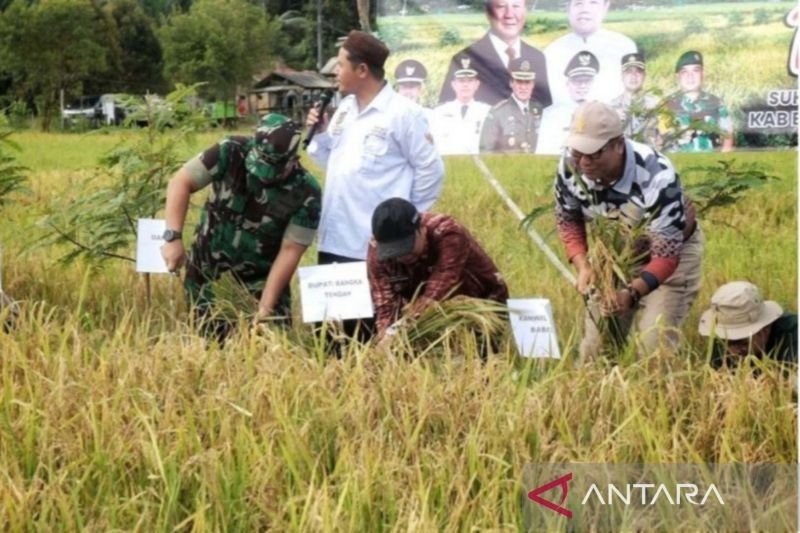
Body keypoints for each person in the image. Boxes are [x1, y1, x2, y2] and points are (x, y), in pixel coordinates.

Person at [306, 30, 444, 338]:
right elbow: (336, 164)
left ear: (362, 70)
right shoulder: (344, 110)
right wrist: (319, 133)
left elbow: (431, 169)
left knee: (369, 337)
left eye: (340, 65)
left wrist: (404, 224)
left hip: (372, 245)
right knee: (329, 337)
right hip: (334, 240)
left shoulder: (403, 114)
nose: (335, 72)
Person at [554, 101, 703, 359]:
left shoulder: (656, 174)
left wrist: (632, 293)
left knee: (653, 347)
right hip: (616, 255)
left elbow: (666, 256)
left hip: (669, 258)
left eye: (594, 153)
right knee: (595, 349)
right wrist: (583, 265)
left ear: (618, 145)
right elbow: (568, 218)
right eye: (578, 152)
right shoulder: (570, 166)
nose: (584, 162)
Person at [161, 113, 321, 338]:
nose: (263, 178)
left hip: (261, 280)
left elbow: (289, 252)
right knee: (207, 342)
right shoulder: (230, 150)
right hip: (208, 272)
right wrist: (172, 237)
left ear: (293, 159)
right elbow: (181, 182)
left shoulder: (307, 193)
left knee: (272, 348)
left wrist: (264, 308)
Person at [366, 197, 509, 339]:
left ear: (421, 229)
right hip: (423, 318)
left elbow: (439, 288)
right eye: (393, 252)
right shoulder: (377, 251)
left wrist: (400, 328)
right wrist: (386, 337)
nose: (402, 256)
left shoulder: (447, 233)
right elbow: (385, 304)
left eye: (406, 247)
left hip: (480, 305)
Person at [438, 0, 551, 108]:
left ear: (525, 11)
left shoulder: (537, 58)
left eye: (516, 6)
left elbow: (545, 108)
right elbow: (447, 113)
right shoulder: (464, 59)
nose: (509, 14)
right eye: (501, 6)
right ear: (488, 13)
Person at [544, 0, 636, 107]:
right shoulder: (552, 52)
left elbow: (632, 96)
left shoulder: (625, 47)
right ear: (569, 9)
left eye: (593, 3)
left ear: (605, 7)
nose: (585, 10)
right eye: (578, 3)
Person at [699, 281, 797, 365]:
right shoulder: (721, 342)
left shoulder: (794, 336)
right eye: (727, 343)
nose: (733, 352)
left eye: (743, 343)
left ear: (765, 328)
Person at [663, 51, 734, 152]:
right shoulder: (666, 105)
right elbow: (658, 141)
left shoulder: (716, 103)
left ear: (702, 74)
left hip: (709, 165)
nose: (690, 76)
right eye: (684, 72)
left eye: (695, 71)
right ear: (677, 77)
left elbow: (728, 136)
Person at [536, 50, 599, 155]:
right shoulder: (551, 115)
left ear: (593, 83)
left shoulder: (602, 113)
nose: (582, 86)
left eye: (587, 81)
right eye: (577, 81)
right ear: (568, 84)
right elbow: (543, 152)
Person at [480, 57, 543, 153]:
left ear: (533, 84)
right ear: (511, 83)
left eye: (527, 82)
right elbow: (486, 151)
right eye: (519, 82)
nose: (523, 87)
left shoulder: (539, 109)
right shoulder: (498, 112)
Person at [431, 56, 491, 155]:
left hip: (477, 166)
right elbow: (433, 145)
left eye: (469, 81)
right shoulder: (439, 112)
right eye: (461, 81)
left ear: (477, 84)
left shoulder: (487, 112)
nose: (465, 85)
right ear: (453, 85)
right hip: (449, 166)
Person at [608, 52, 661, 147]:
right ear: (622, 76)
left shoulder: (656, 105)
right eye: (629, 71)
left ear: (644, 75)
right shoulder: (610, 108)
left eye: (638, 71)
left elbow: (664, 139)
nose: (634, 75)